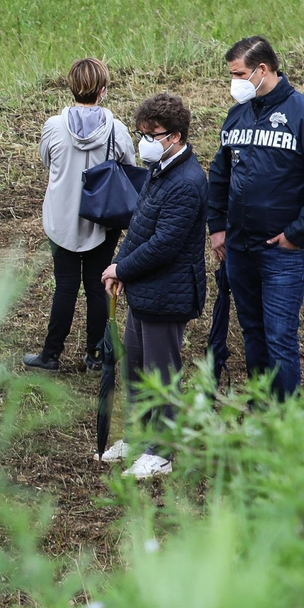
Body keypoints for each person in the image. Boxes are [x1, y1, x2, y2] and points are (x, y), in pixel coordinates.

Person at [207, 36, 304, 400]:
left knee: (279, 336)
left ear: (262, 70)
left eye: (238, 74)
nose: (233, 82)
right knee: (252, 331)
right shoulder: (237, 115)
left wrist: (297, 233)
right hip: (238, 247)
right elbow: (219, 174)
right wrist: (217, 227)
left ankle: (286, 421)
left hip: (282, 252)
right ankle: (263, 410)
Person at [100, 93, 208, 480]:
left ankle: (162, 452)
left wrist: (123, 269)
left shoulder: (187, 182)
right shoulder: (160, 170)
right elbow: (140, 227)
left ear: (175, 136)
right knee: (136, 369)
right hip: (146, 291)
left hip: (169, 293)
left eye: (152, 133)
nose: (144, 140)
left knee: (161, 375)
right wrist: (118, 265)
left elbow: (165, 244)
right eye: (140, 132)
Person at [24, 58, 135, 373]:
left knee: (65, 286)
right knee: (99, 286)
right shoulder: (116, 128)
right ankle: (96, 355)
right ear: (103, 90)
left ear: (71, 86)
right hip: (103, 220)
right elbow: (128, 165)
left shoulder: (53, 126)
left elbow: (48, 160)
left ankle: (50, 355)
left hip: (61, 221)